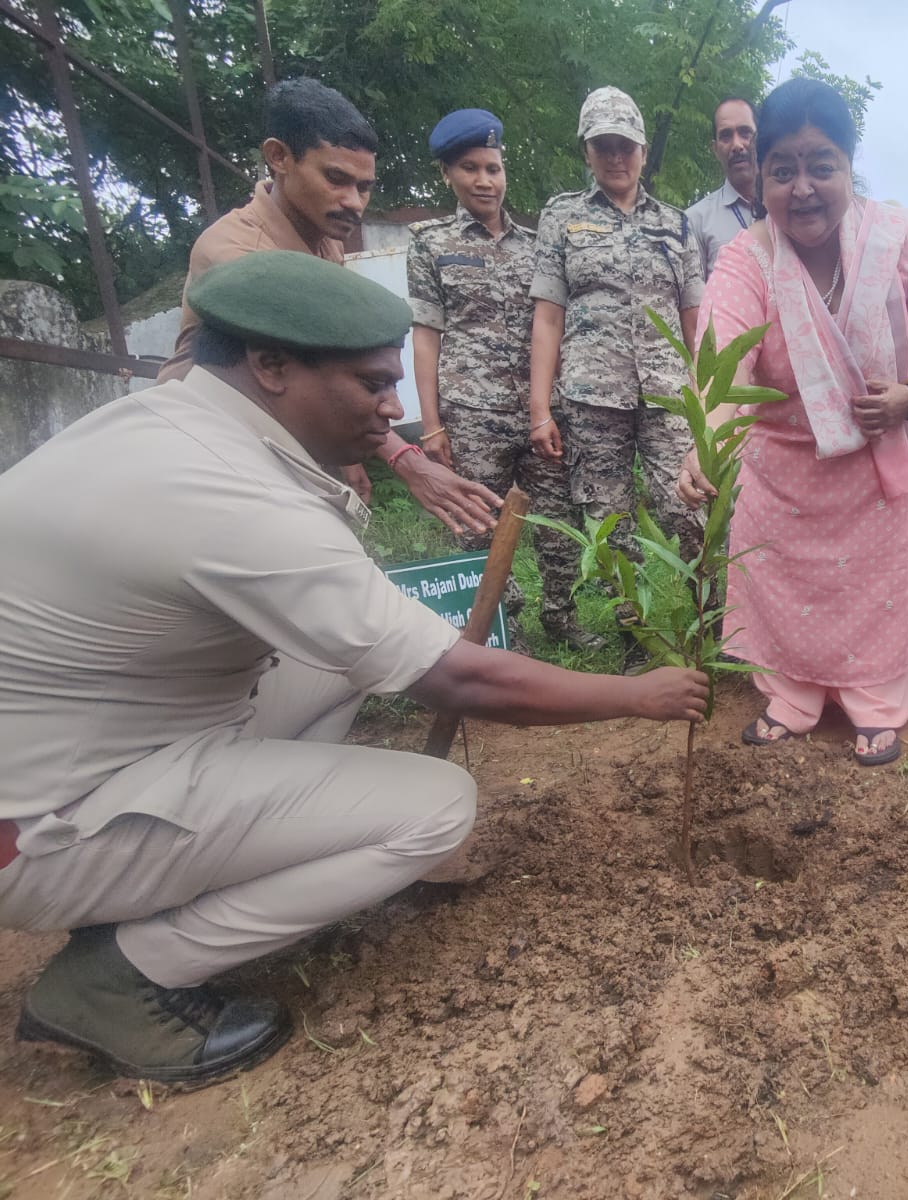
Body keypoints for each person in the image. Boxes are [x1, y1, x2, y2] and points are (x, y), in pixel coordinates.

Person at [0, 252, 709, 1088]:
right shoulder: (231, 497)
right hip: (42, 832)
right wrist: (639, 694)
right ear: (270, 365)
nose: (393, 407)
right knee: (433, 810)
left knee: (340, 658)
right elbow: (462, 681)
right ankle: (123, 972)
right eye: (373, 382)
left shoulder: (157, 426)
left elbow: (370, 642)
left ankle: (208, 881)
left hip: (89, 745)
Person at [677, 78, 908, 767]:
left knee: (879, 589)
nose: (802, 188)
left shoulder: (900, 238)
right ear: (761, 177)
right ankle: (793, 692)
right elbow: (722, 370)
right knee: (784, 589)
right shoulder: (747, 259)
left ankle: (876, 699)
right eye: (783, 170)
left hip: (880, 470)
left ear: (848, 164)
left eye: (821, 166)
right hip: (782, 474)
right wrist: (704, 448)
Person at [161, 77, 500, 540]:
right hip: (212, 451)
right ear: (279, 157)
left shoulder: (323, 240)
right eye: (336, 179)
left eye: (365, 187)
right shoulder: (238, 254)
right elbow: (316, 371)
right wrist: (407, 461)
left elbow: (331, 358)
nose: (353, 202)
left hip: (281, 434)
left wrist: (350, 456)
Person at [407, 108, 602, 651]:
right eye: (470, 168)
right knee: (481, 524)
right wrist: (431, 424)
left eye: (493, 168)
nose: (485, 180)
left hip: (540, 412)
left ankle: (562, 615)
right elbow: (426, 334)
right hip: (471, 414)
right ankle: (502, 626)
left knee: (558, 523)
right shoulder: (429, 242)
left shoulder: (539, 243)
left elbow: (554, 323)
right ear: (448, 174)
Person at [528, 87, 705, 643]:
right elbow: (548, 317)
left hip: (669, 395)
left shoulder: (678, 225)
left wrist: (706, 403)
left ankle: (711, 617)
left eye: (624, 145)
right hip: (590, 395)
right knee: (607, 522)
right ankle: (639, 637)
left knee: (691, 506)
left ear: (643, 150)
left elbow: (696, 324)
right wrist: (540, 409)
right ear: (586, 151)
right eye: (602, 145)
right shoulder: (562, 217)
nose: (615, 156)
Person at [686, 96, 759, 279]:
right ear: (715, 149)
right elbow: (695, 300)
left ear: (761, 138)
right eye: (726, 136)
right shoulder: (695, 221)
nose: (737, 145)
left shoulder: (788, 209)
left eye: (745, 133)